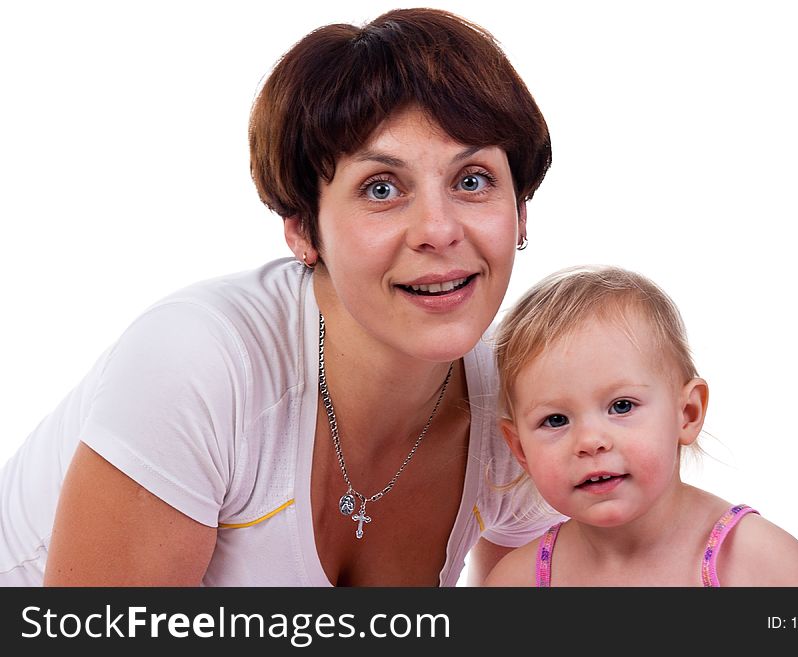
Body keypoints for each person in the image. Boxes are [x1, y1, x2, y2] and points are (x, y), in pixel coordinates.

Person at [0, 8, 555, 586]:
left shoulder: (527, 402)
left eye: (472, 180)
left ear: (519, 211)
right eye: (382, 189)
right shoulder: (201, 364)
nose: (438, 230)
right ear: (304, 230)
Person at [484, 265, 798, 586]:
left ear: (688, 413)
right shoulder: (518, 581)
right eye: (555, 420)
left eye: (621, 406)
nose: (590, 441)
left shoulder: (755, 561)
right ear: (520, 449)